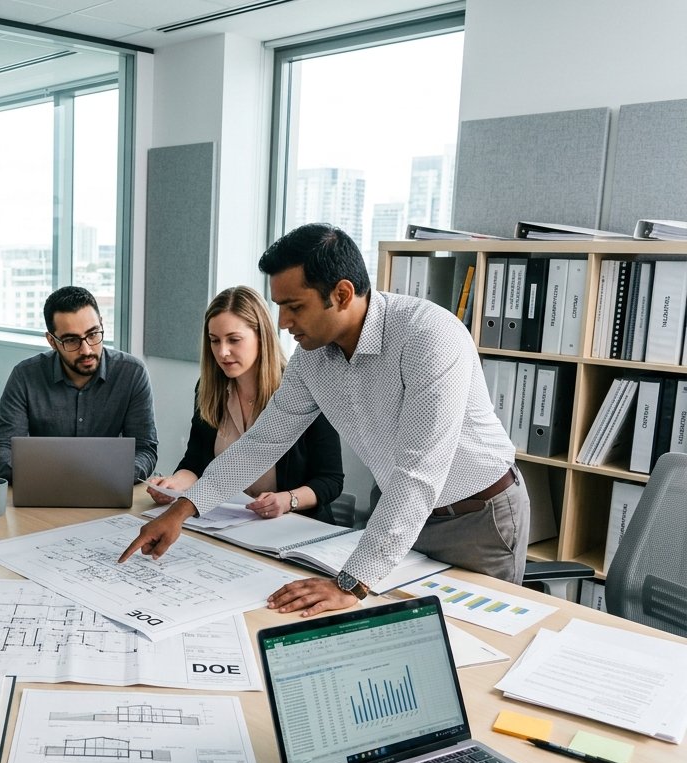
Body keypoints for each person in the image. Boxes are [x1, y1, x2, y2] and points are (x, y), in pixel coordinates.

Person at [122, 223, 528, 617]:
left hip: (479, 518)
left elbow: (418, 472)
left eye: (294, 306)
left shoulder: (428, 335)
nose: (282, 322)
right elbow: (262, 443)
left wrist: (350, 582)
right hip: (398, 517)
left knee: (475, 650)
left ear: (342, 293)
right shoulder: (313, 358)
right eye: (280, 306)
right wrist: (182, 510)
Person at [148, 286, 343, 522]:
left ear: (261, 336)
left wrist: (287, 500)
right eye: (214, 341)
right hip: (228, 523)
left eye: (234, 340)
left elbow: (330, 480)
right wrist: (173, 485)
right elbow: (196, 463)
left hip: (294, 526)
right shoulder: (209, 389)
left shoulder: (301, 389)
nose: (222, 352)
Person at [0, 286, 158, 481]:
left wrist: (111, 477)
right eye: (71, 340)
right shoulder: (25, 375)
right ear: (52, 341)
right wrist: (47, 478)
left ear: (101, 324)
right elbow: (0, 450)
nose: (86, 350)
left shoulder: (132, 373)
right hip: (43, 486)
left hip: (107, 485)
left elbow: (145, 449)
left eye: (93, 334)